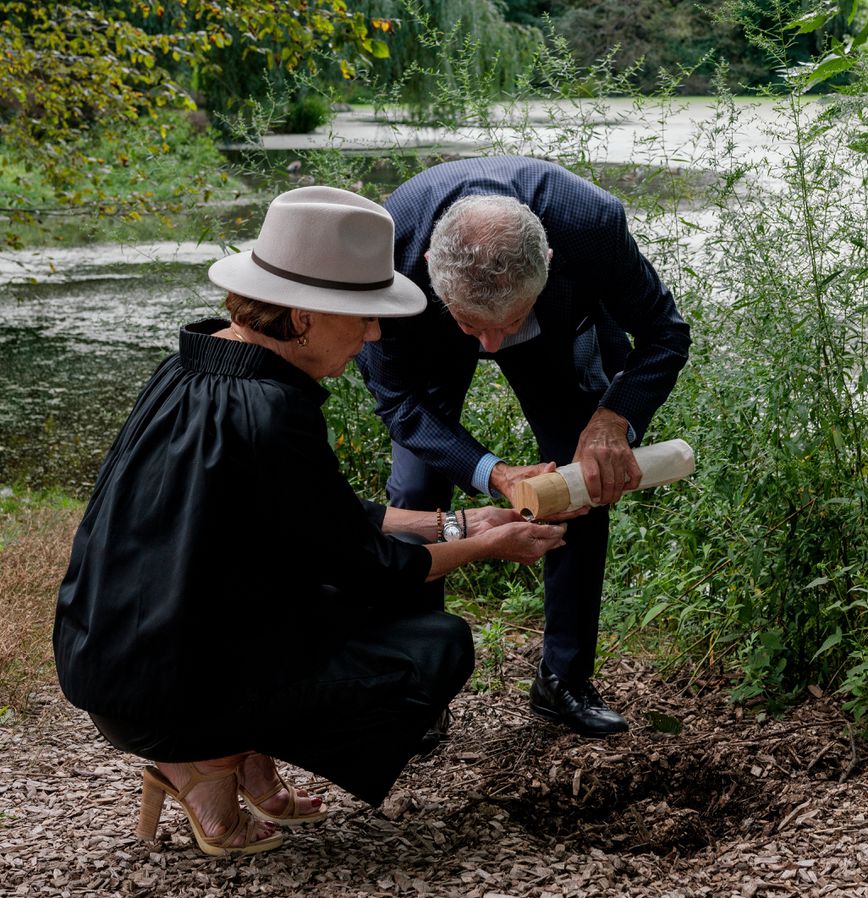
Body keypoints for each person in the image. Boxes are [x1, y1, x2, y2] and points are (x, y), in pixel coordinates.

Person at [53, 186, 569, 857]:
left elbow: (321, 517)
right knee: (435, 645)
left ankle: (235, 753)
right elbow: (372, 567)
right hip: (162, 687)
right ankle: (204, 758)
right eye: (362, 316)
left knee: (311, 598)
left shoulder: (190, 363)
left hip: (105, 655)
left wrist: (459, 520)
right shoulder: (273, 411)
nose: (375, 334)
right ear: (301, 316)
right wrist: (491, 544)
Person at [357, 156, 690, 738]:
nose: (490, 346)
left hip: (557, 331)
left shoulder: (591, 225)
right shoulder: (390, 251)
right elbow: (399, 403)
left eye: (504, 327)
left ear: (551, 262)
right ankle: (421, 682)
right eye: (476, 330)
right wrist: (495, 473)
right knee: (415, 489)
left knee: (582, 479)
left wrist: (614, 418)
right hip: (427, 335)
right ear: (433, 267)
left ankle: (563, 680)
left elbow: (666, 332)